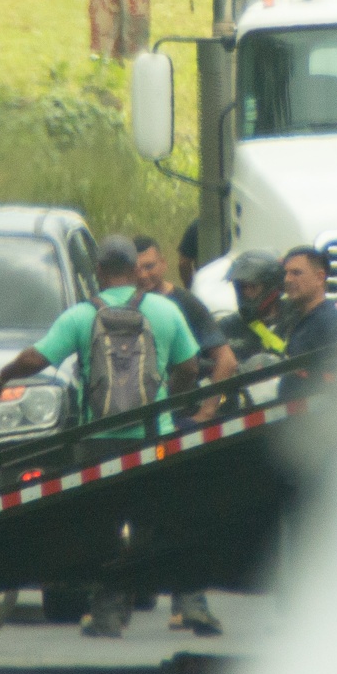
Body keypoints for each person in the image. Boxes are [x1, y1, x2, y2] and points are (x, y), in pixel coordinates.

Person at [0, 236, 204, 637]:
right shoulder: (165, 310)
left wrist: (5, 374)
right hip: (153, 435)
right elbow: (191, 367)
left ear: (99, 272)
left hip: (99, 440)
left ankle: (108, 613)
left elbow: (36, 358)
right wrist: (168, 400)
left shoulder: (81, 316)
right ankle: (192, 601)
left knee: (105, 528)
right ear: (136, 269)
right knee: (165, 517)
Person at [133, 233, 236, 638]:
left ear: (164, 265)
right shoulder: (123, 306)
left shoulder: (185, 304)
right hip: (138, 426)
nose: (144, 275)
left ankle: (185, 604)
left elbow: (225, 360)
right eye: (137, 268)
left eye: (150, 266)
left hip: (178, 425)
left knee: (179, 510)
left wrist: (207, 410)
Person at [277, 246, 337, 376]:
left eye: (296, 273)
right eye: (286, 273)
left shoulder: (333, 323)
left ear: (320, 278)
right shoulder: (289, 319)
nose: (287, 279)